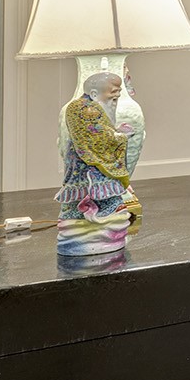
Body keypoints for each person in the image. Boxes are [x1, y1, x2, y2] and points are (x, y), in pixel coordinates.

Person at [56, 70, 140, 254]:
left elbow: (101, 129)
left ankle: (103, 229)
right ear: (94, 94)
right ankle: (86, 228)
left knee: (105, 198)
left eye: (119, 91)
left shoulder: (94, 107)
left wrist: (115, 130)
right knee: (94, 192)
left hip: (92, 159)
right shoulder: (82, 109)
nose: (117, 95)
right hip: (87, 163)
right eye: (113, 92)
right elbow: (96, 137)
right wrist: (120, 137)